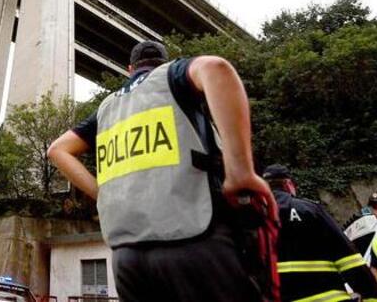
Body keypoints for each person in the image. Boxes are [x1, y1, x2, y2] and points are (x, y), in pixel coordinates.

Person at [47, 40, 276, 302]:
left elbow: (58, 150)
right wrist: (240, 171)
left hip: (128, 259)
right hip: (194, 240)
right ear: (163, 62)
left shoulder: (107, 108)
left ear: (130, 69)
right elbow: (216, 68)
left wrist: (103, 194)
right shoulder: (173, 76)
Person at [262, 164, 377, 301]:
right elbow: (348, 258)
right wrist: (370, 294)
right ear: (288, 184)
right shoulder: (309, 209)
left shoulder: (250, 218)